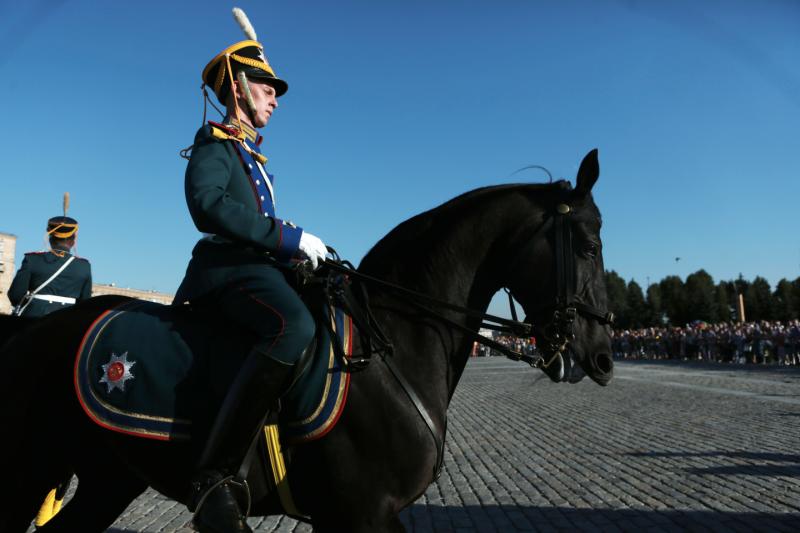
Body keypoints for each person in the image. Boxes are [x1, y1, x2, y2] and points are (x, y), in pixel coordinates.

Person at [174, 10, 328, 533]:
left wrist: (301, 251)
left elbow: (257, 224)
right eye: (267, 87)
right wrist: (288, 237)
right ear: (239, 89)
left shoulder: (251, 156)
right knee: (295, 326)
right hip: (224, 271)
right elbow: (210, 207)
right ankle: (213, 476)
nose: (275, 98)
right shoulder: (214, 145)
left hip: (254, 266)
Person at [7, 198, 92, 318]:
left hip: (33, 318)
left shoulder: (32, 260)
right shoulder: (84, 266)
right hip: (68, 321)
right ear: (73, 240)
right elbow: (85, 302)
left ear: (50, 238)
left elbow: (16, 295)